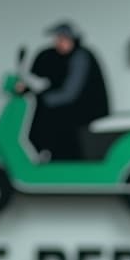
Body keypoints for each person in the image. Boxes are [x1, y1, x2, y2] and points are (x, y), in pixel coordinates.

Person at [20, 21, 109, 161]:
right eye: (57, 39)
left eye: (63, 39)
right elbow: (45, 79)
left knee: (49, 114)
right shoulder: (57, 57)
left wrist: (44, 97)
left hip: (86, 110)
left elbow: (70, 92)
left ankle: (47, 152)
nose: (58, 43)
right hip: (72, 106)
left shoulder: (80, 58)